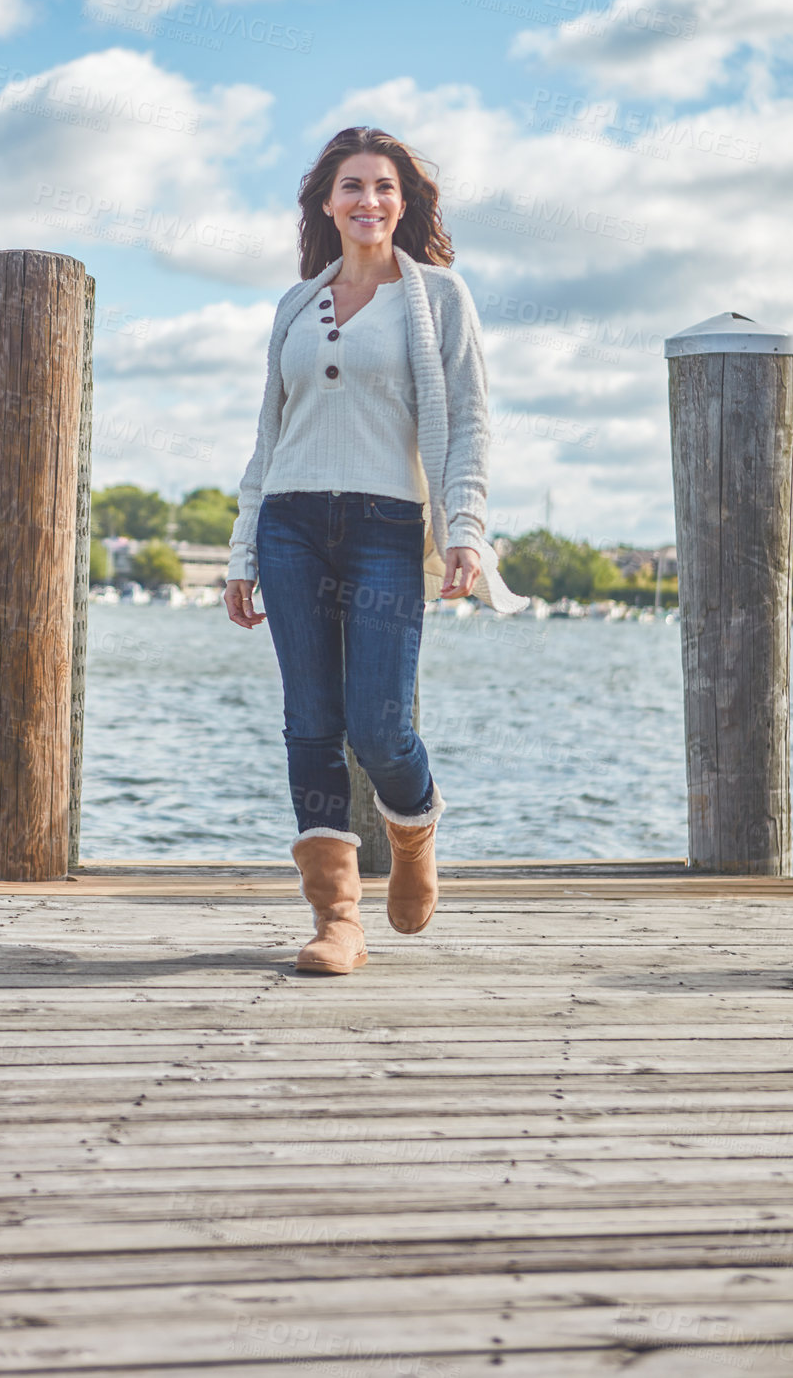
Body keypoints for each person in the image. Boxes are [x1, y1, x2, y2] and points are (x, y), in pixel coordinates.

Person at [223, 125, 528, 975]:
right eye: (352, 187)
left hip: (386, 527)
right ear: (327, 201)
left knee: (381, 727)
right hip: (289, 524)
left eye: (385, 187)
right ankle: (336, 919)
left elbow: (469, 421)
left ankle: (416, 830)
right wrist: (244, 551)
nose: (369, 201)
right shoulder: (295, 303)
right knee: (310, 726)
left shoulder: (437, 299)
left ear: (405, 202)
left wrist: (463, 528)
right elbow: (267, 438)